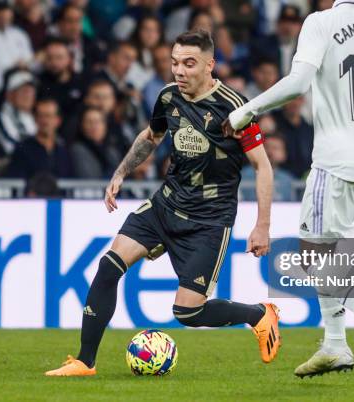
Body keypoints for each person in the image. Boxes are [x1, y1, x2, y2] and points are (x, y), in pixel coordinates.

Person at [45, 30, 280, 377]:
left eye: (189, 63)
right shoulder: (169, 97)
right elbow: (151, 136)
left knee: (188, 313)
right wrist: (121, 173)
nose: (179, 71)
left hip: (209, 220)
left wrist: (262, 226)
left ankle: (258, 315)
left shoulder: (234, 108)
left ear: (210, 65)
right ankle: (85, 361)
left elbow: (263, 166)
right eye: (174, 63)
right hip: (165, 205)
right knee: (108, 267)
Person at [225, 0, 354, 385]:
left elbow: (299, 84)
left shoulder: (321, 22)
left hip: (335, 162)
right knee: (336, 251)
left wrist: (245, 111)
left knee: (316, 259)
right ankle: (335, 344)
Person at [5, 98, 73, 180]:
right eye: (40, 116)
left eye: (48, 116)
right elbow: (16, 181)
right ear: (35, 119)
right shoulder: (23, 148)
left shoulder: (64, 150)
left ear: (58, 120)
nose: (44, 121)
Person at [0, 68, 37, 156]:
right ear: (9, 94)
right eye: (24, 91)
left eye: (31, 91)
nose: (28, 96)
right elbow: (7, 146)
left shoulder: (35, 117)